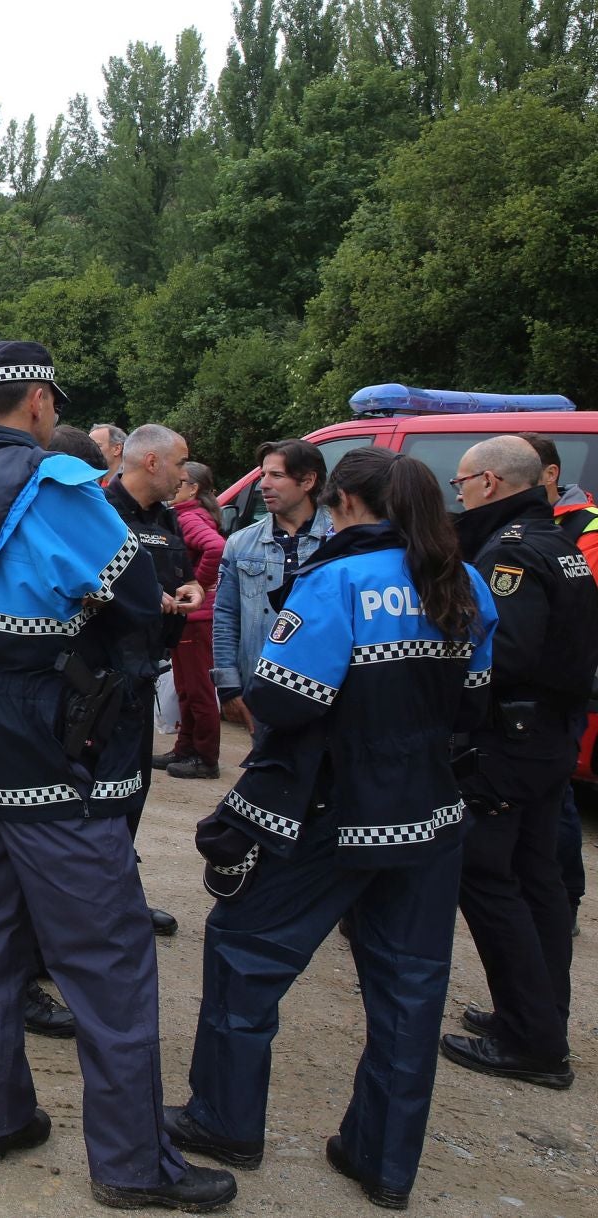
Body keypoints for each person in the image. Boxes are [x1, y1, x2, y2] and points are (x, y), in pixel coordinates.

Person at [0, 340, 235, 1213]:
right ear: (40, 403)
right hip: (50, 737)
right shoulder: (56, 487)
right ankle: (135, 1163)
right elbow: (134, 596)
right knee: (107, 955)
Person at [169, 446, 496, 1211]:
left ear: (343, 502)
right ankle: (383, 1161)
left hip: (330, 815)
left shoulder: (336, 581)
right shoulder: (466, 582)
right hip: (431, 819)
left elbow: (284, 702)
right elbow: (475, 704)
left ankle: (225, 1121)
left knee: (246, 956)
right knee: (410, 992)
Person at [444, 436, 598, 1090]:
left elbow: (502, 654)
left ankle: (532, 1041)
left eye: (460, 483)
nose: (457, 495)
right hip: (549, 737)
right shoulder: (560, 544)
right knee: (538, 880)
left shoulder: (509, 552)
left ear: (488, 482)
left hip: (511, 740)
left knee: (486, 875)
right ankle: (537, 1018)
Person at [105, 424, 204, 937]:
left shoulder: (166, 518)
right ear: (151, 463)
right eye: (179, 463)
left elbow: (182, 571)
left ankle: (121, 897)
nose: (185, 475)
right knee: (99, 797)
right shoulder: (100, 512)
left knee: (133, 793)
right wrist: (142, 598)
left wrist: (187, 589)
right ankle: (87, 909)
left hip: (144, 673)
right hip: (100, 681)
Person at [520, 432, 597, 937]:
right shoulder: (535, 527)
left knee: (557, 797)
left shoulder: (586, 529)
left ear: (549, 475)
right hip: (540, 683)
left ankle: (563, 895)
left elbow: (575, 615)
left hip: (559, 685)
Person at [212, 440, 332, 732]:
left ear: (308, 480)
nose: (263, 484)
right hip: (264, 692)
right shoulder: (241, 544)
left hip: (325, 691)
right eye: (263, 475)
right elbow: (225, 617)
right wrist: (228, 687)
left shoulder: (338, 540)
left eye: (276, 476)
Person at [159, 462, 225, 780]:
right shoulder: (185, 515)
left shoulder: (189, 517)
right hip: (190, 616)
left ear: (193, 488)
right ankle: (185, 748)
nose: (173, 485)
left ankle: (205, 756)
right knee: (185, 687)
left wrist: (196, 584)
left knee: (198, 689)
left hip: (197, 617)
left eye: (180, 481)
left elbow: (216, 547)